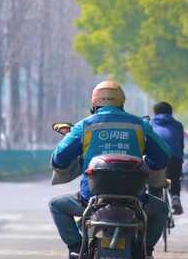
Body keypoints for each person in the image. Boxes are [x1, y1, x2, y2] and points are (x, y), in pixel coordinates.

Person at [48, 81, 171, 259]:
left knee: (56, 205)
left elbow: (59, 159)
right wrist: (147, 163)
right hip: (135, 198)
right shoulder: (139, 126)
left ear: (94, 105)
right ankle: (146, 250)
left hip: (91, 197)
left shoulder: (85, 126)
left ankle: (76, 248)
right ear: (121, 103)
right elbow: (162, 156)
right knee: (161, 208)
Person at [149, 102, 185, 215]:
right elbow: (180, 145)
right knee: (175, 177)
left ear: (155, 113)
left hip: (155, 157)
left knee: (153, 181)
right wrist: (180, 158)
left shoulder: (149, 124)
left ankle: (153, 200)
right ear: (170, 112)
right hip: (174, 158)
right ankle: (175, 197)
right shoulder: (178, 125)